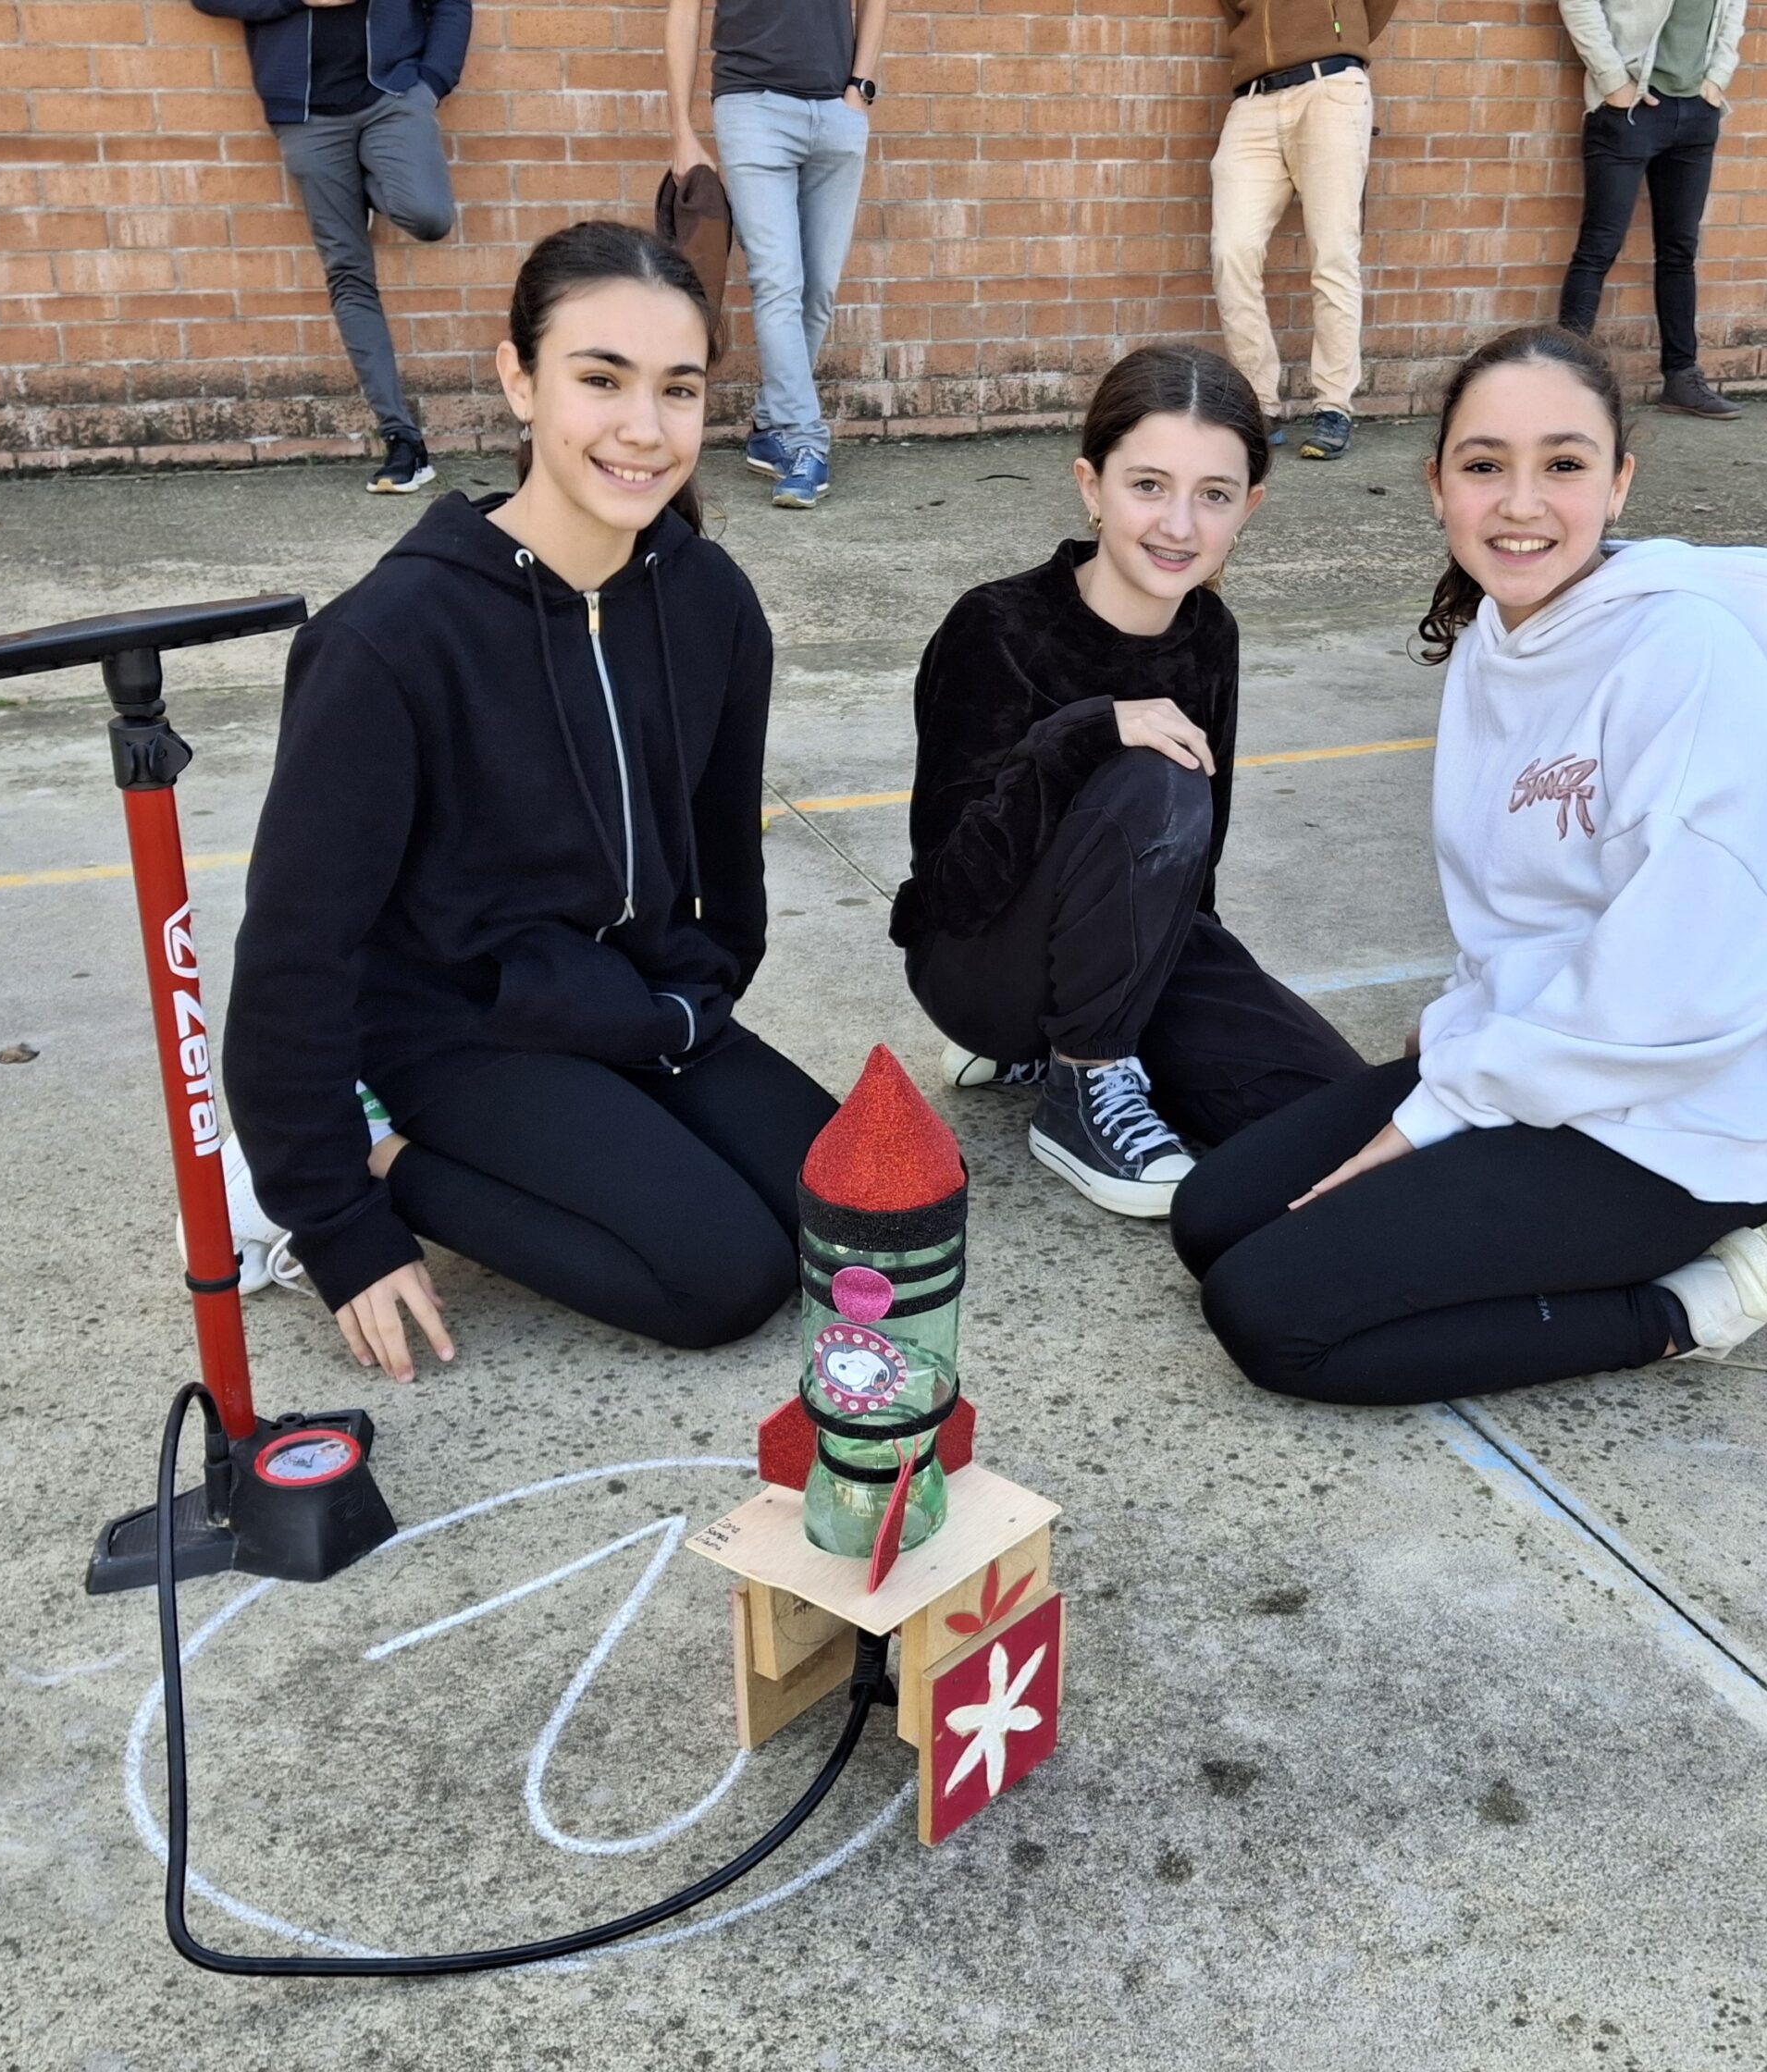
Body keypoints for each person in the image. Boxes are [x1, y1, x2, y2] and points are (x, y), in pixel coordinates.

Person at [1172, 324, 1767, 1403]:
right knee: (1212, 1218)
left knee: (1271, 1314)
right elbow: (1529, 907)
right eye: (1484, 465)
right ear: (1437, 483)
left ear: (1619, 481)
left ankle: (1683, 1302)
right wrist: (1466, 1043)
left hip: (1676, 1121)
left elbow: (1680, 989)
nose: (1521, 503)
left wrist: (1437, 1108)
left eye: (1563, 463)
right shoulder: (1499, 637)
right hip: (1536, 1059)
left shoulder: (1684, 658)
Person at [220, 220, 836, 1379]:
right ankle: (383, 1149)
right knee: (724, 1276)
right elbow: (295, 955)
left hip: (636, 1004)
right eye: (599, 379)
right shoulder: (389, 641)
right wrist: (339, 1222)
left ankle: (617, 1119)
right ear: (518, 380)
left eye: (678, 389)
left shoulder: (712, 604)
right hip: (454, 1029)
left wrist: (695, 999)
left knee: (877, 1211)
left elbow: (725, 865)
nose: (643, 430)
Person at [892, 344, 1367, 1219]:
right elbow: (951, 892)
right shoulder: (995, 626)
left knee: (1341, 1118)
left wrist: (1222, 1014)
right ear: (1091, 484)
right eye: (1148, 485)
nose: (1178, 526)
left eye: (1213, 495)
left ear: (1248, 508)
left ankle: (1096, 1043)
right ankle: (1080, 1086)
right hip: (980, 969)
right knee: (1155, 776)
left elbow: (1194, 867)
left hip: (1127, 951)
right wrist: (1091, 728)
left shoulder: (1209, 634)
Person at [194, 0, 472, 492]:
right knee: (348, 271)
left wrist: (432, 83)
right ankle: (403, 440)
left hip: (392, 93)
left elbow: (451, 4)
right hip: (305, 114)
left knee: (429, 217)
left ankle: (360, 185)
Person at [664, 0, 888, 512]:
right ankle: (805, 440)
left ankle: (770, 423)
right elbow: (683, 10)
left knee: (819, 289)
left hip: (837, 109)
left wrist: (860, 89)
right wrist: (682, 130)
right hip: (752, 107)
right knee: (778, 281)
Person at [1208, 0, 1398, 462]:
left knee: (1333, 256)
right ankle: (1259, 403)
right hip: (1253, 100)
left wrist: (1338, 31)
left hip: (1329, 87)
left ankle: (1334, 406)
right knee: (1232, 251)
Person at [1553, 0, 1749, 419]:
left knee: (1679, 252)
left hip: (1697, 113)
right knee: (1598, 248)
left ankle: (1681, 378)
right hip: (1629, 110)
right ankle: (1562, 384)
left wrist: (1717, 80)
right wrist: (1612, 81)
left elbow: (1733, 13)